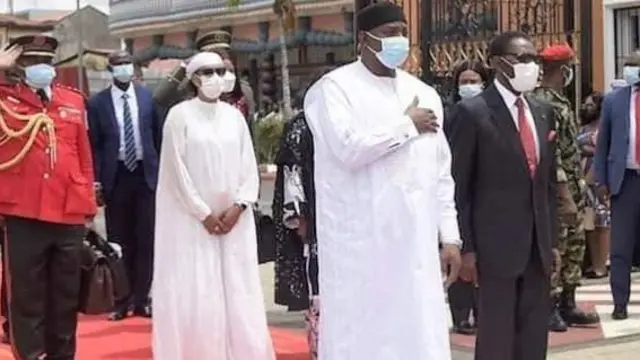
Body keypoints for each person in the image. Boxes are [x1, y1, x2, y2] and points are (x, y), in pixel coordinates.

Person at [304, 3, 461, 359]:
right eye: (390, 33)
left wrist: (450, 236)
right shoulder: (333, 89)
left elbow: (441, 174)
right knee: (362, 336)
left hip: (415, 244)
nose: (399, 41)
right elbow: (348, 149)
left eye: (403, 33)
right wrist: (406, 126)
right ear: (363, 39)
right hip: (359, 245)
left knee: (418, 332)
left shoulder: (424, 93)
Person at [152, 52, 274, 360]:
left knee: (238, 288)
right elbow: (175, 173)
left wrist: (239, 206)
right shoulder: (179, 116)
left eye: (222, 70)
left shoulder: (234, 116)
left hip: (234, 220)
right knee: (197, 289)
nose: (218, 77)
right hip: (193, 223)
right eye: (209, 71)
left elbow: (249, 165)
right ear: (193, 78)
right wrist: (203, 214)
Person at [447, 31, 557, 360]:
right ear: (497, 64)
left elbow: (546, 183)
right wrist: (466, 247)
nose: (531, 66)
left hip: (536, 248)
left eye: (533, 59)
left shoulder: (542, 111)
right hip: (494, 248)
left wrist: (551, 241)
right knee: (496, 339)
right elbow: (458, 186)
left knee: (534, 337)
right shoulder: (472, 113)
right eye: (522, 59)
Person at [0, 35, 97, 360]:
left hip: (68, 213)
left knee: (65, 298)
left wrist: (87, 201)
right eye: (31, 62)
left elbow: (83, 155)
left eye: (46, 62)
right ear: (18, 67)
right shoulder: (6, 99)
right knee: (26, 299)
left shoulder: (72, 101)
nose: (41, 68)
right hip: (24, 213)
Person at [87, 50, 162, 321]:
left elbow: (157, 135)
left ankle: (143, 298)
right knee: (119, 241)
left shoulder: (147, 97)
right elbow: (93, 144)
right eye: (118, 65)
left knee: (146, 238)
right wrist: (95, 181)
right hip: (116, 176)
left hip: (145, 175)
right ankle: (122, 299)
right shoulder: (97, 103)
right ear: (110, 70)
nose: (123, 68)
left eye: (127, 64)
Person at [531, 44, 600, 333]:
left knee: (575, 245)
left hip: (574, 186)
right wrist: (565, 195)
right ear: (562, 70)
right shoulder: (543, 103)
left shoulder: (560, 101)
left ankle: (568, 304)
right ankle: (549, 307)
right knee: (557, 246)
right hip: (558, 192)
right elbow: (553, 153)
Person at [273, 66, 334, 360]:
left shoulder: (344, 123)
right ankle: (320, 348)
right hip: (316, 221)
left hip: (349, 218)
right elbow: (292, 175)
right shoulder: (301, 127)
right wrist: (300, 219)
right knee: (319, 286)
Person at [444, 59, 490, 335]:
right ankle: (461, 313)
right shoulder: (451, 112)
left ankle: (483, 310)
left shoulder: (492, 111)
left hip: (485, 190)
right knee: (460, 248)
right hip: (456, 186)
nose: (469, 86)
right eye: (464, 81)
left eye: (474, 81)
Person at [594, 49, 640, 320]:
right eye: (629, 64)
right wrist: (601, 181)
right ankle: (620, 303)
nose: (632, 69)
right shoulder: (614, 101)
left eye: (636, 65)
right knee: (621, 247)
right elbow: (603, 145)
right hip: (625, 182)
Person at [152, 30, 255, 118]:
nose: (220, 61)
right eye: (214, 56)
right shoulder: (190, 88)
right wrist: (184, 67)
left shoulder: (243, 91)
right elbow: (160, 98)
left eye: (224, 55)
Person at [577, 92, 609, 279]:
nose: (586, 107)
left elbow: (602, 154)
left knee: (602, 223)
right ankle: (593, 263)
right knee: (589, 223)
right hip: (583, 183)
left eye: (590, 104)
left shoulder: (604, 128)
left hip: (597, 180)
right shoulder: (583, 128)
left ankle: (601, 265)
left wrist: (591, 175)